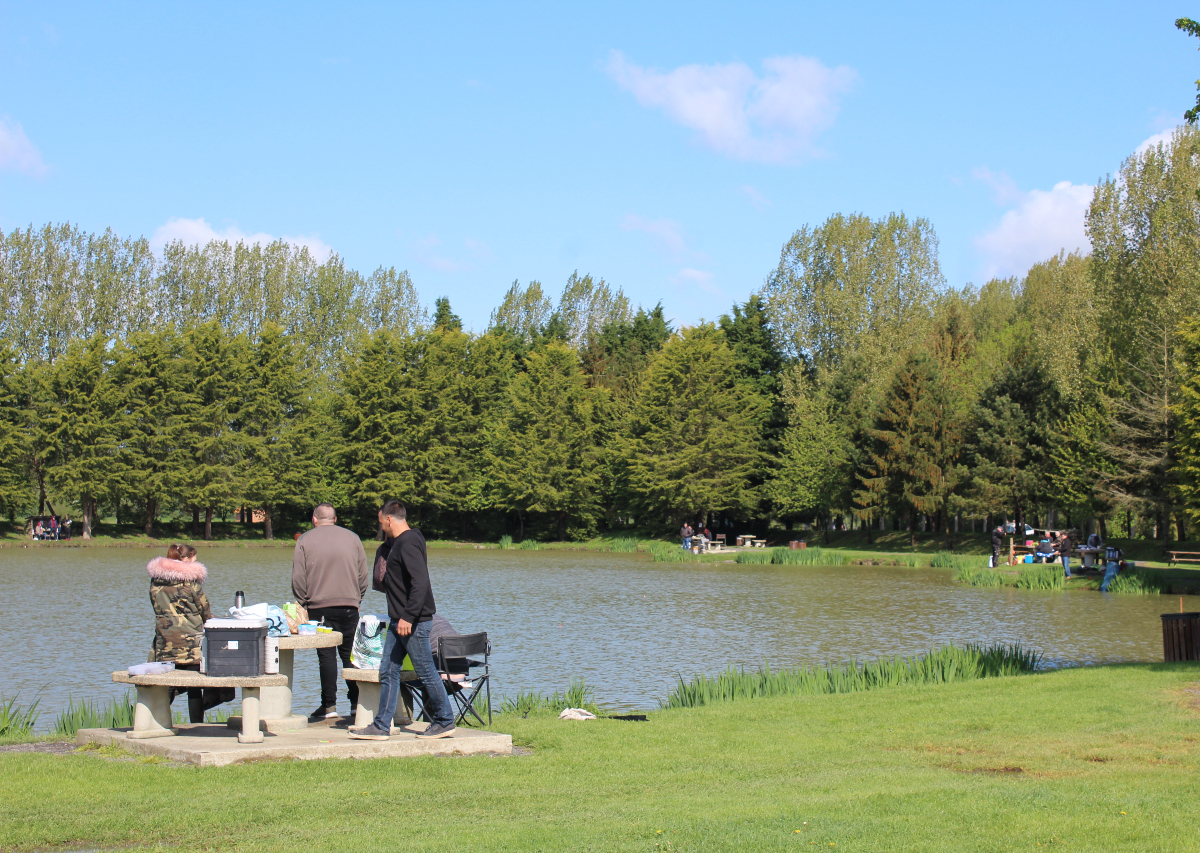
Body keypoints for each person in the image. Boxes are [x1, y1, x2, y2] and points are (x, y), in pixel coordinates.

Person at [350, 500, 456, 740]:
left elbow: (421, 583)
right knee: (388, 669)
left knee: (425, 670)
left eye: (381, 523)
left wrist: (408, 616)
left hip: (412, 621)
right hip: (398, 620)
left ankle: (444, 720)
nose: (381, 528)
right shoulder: (403, 541)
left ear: (389, 519)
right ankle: (381, 726)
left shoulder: (408, 543)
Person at [291, 503, 370, 721]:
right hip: (349, 606)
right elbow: (363, 574)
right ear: (335, 519)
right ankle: (356, 705)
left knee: (326, 657)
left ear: (314, 520)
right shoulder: (353, 538)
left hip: (318, 607)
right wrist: (357, 598)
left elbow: (299, 577)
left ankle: (329, 706)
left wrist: (303, 602)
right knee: (349, 655)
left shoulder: (304, 540)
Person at [147, 543, 234, 722]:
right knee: (195, 686)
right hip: (191, 646)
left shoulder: (155, 582)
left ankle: (156, 722)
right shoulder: (191, 583)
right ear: (185, 560)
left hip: (164, 645)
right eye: (194, 559)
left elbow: (156, 607)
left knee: (168, 686)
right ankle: (197, 724)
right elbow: (205, 610)